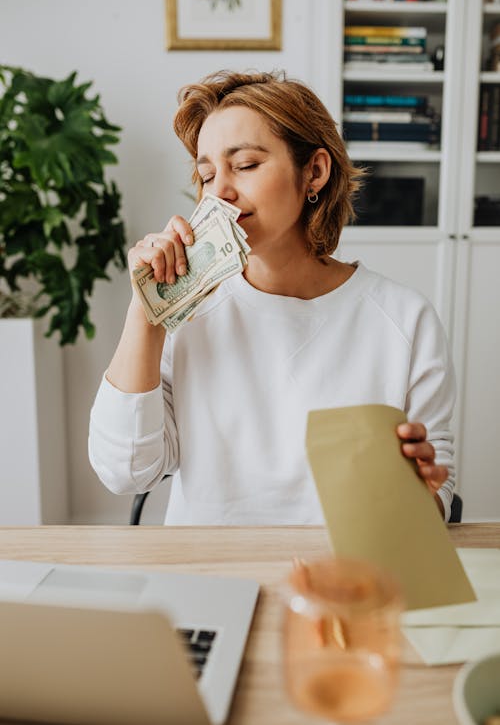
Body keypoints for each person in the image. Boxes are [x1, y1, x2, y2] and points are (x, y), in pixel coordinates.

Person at [88, 70, 455, 525]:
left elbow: (433, 500)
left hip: (343, 582)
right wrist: (146, 313)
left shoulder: (405, 318)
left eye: (244, 165)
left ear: (314, 172)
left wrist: (419, 496)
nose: (218, 192)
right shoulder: (184, 315)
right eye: (206, 175)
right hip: (208, 576)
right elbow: (125, 472)